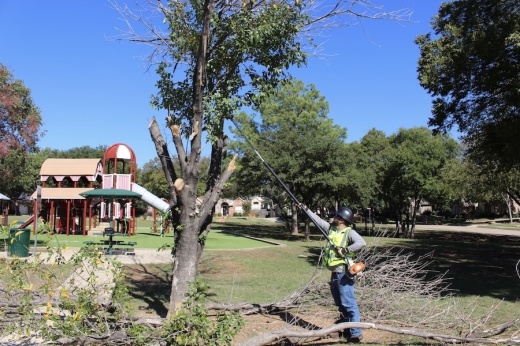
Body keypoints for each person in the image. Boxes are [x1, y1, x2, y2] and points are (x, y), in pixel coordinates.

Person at [304, 205, 366, 343]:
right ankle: (346, 328)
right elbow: (318, 221)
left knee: (348, 303)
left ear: (342, 220)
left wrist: (345, 250)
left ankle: (356, 333)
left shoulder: (349, 232)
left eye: (337, 216)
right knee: (340, 303)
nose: (334, 217)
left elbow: (361, 242)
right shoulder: (331, 229)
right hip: (335, 273)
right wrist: (306, 209)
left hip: (344, 273)